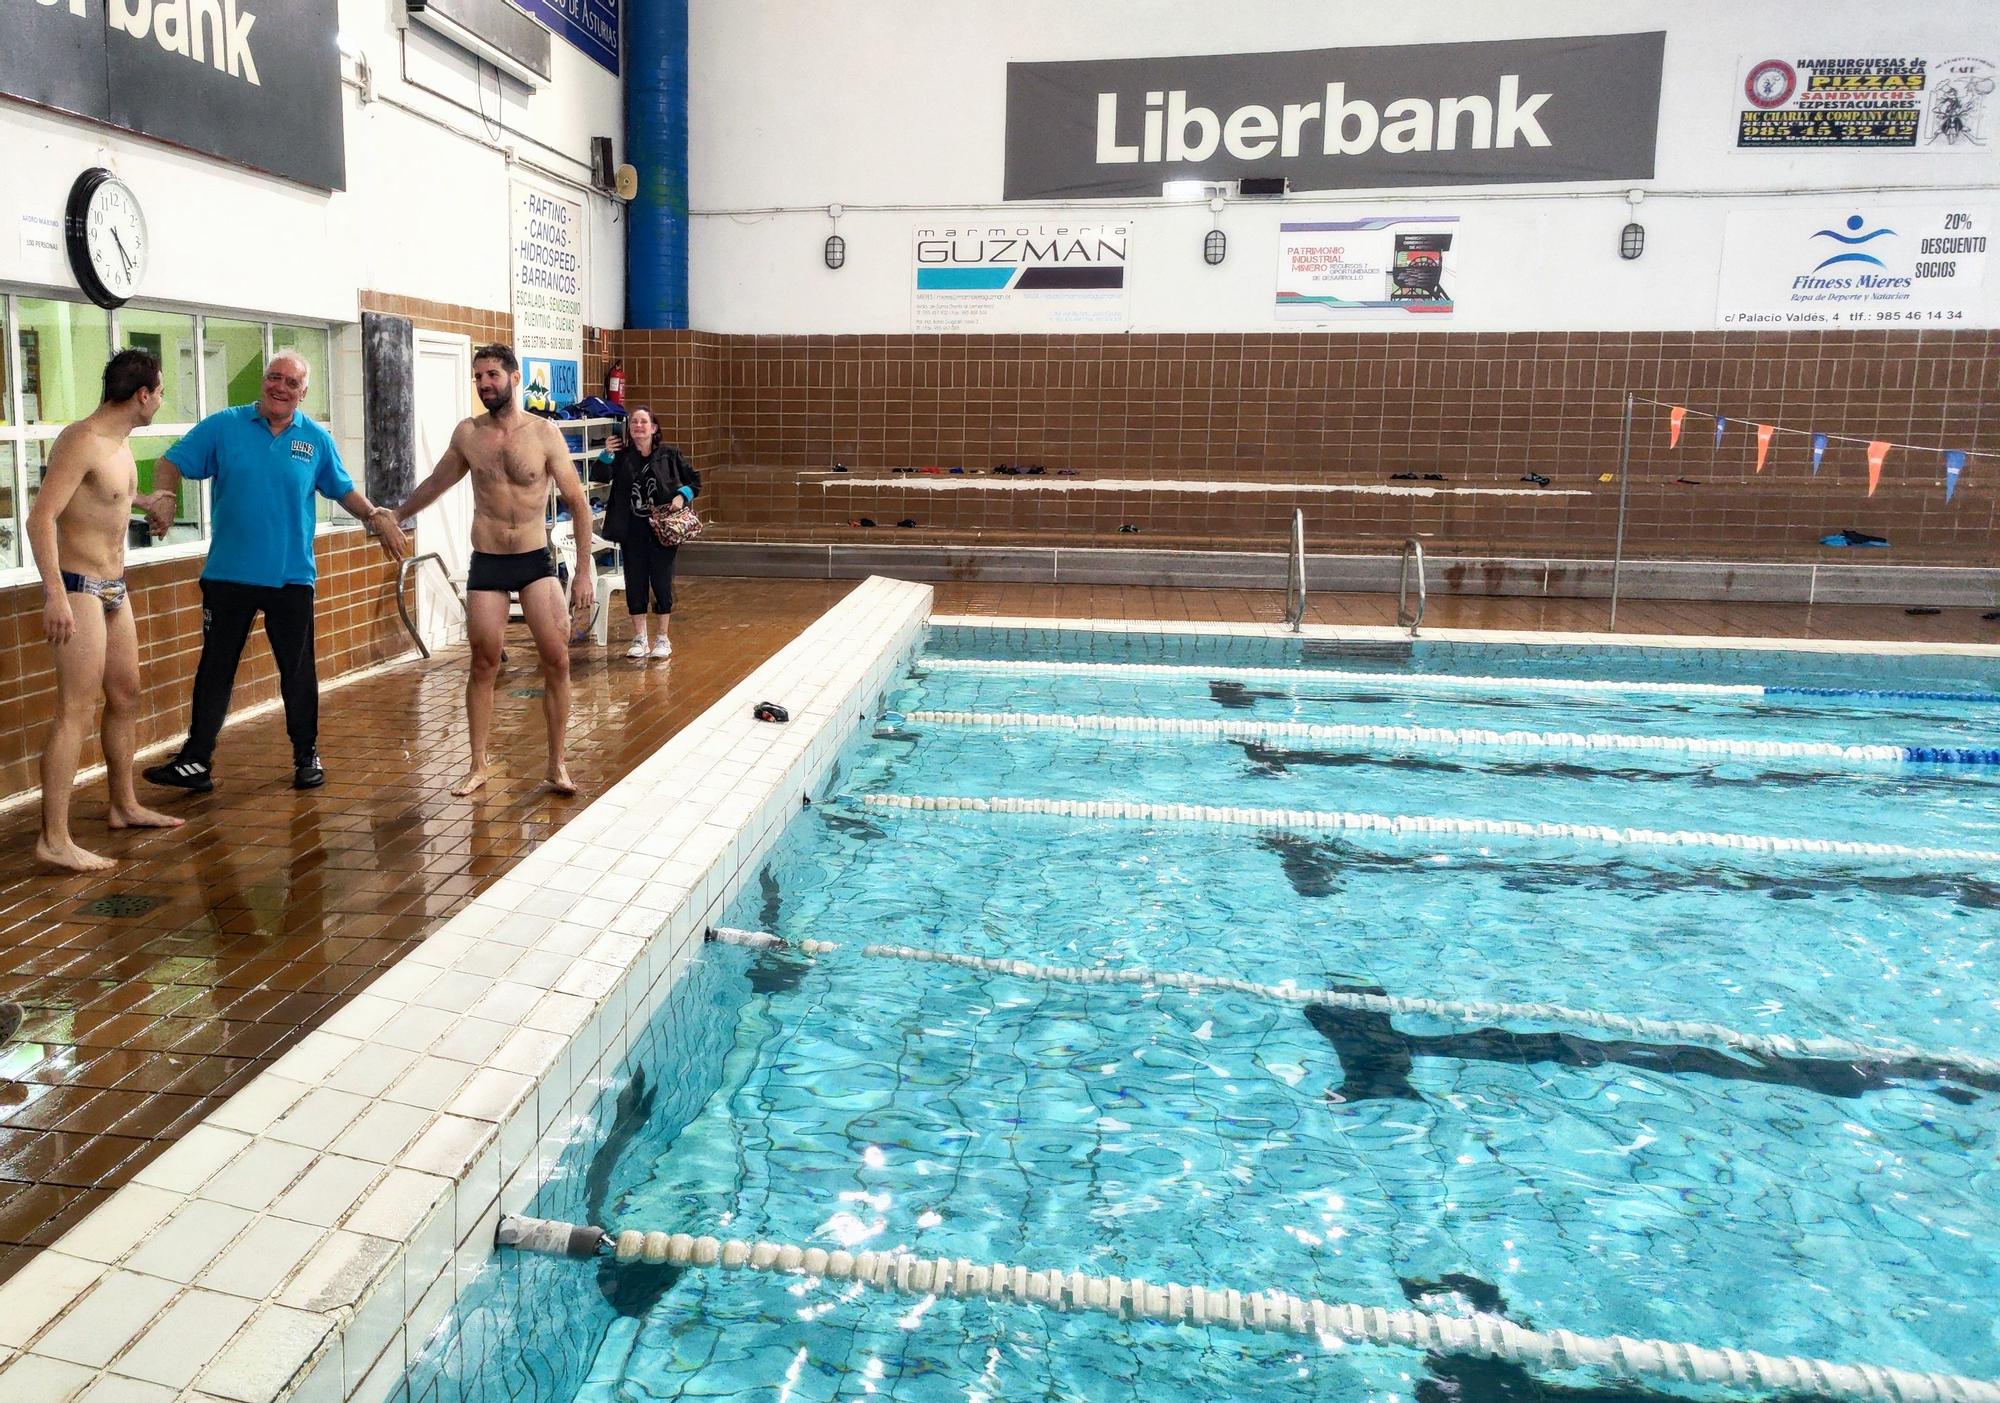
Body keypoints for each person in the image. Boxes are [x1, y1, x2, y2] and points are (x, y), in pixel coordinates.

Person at [141, 353, 408, 793]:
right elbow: (171, 461)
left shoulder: (314, 439)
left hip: (290, 578)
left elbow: (341, 489)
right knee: (215, 668)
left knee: (297, 671)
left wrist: (374, 516)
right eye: (273, 377)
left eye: (291, 382)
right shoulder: (226, 425)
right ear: (264, 382)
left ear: (304, 394)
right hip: (229, 575)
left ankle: (306, 756)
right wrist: (165, 495)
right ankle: (196, 760)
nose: (280, 387)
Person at [393, 344, 595, 797]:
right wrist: (398, 513)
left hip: (534, 562)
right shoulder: (468, 434)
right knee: (483, 663)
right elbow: (436, 483)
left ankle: (556, 764)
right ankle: (478, 764)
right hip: (487, 562)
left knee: (557, 660)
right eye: (478, 377)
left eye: (491, 375)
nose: (484, 384)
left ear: (513, 377)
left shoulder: (544, 434)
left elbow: (579, 504)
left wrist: (583, 571)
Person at [24, 350, 186, 870]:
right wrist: (53, 593)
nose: (160, 402)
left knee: (126, 694)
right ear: (143, 395)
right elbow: (41, 518)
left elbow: (102, 497)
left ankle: (123, 804)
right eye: (159, 393)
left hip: (116, 588)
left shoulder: (117, 445)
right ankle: (53, 839)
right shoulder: (80, 440)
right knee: (75, 709)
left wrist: (148, 503)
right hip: (77, 589)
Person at [597, 406, 699, 660]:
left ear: (654, 428)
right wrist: (607, 453)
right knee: (635, 583)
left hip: (662, 530)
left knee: (662, 582)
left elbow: (695, 481)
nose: (638, 426)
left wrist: (680, 496)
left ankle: (663, 637)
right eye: (634, 423)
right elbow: (599, 477)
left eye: (644, 422)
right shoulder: (622, 456)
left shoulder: (669, 455)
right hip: (632, 530)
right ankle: (640, 637)